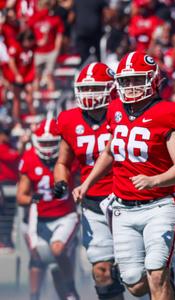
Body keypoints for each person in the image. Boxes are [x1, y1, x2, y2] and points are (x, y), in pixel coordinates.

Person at [72, 51, 175, 300]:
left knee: (158, 274)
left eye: (137, 80)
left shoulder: (169, 112)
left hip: (158, 205)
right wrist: (87, 182)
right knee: (135, 284)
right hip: (123, 208)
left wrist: (155, 180)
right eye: (126, 81)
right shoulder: (115, 108)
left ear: (153, 80)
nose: (131, 86)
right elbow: (110, 151)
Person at [54, 62, 125, 300]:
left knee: (140, 274)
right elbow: (63, 163)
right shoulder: (69, 119)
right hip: (93, 203)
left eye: (95, 88)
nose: (90, 95)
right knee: (101, 272)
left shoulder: (123, 112)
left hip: (127, 199)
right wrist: (61, 182)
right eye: (85, 89)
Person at [16, 117, 80, 300]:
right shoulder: (29, 158)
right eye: (44, 142)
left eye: (52, 142)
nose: (47, 147)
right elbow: (22, 196)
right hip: (40, 217)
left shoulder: (69, 156)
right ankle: (34, 296)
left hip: (65, 215)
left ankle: (69, 290)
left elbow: (82, 179)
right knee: (38, 258)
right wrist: (36, 200)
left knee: (58, 252)